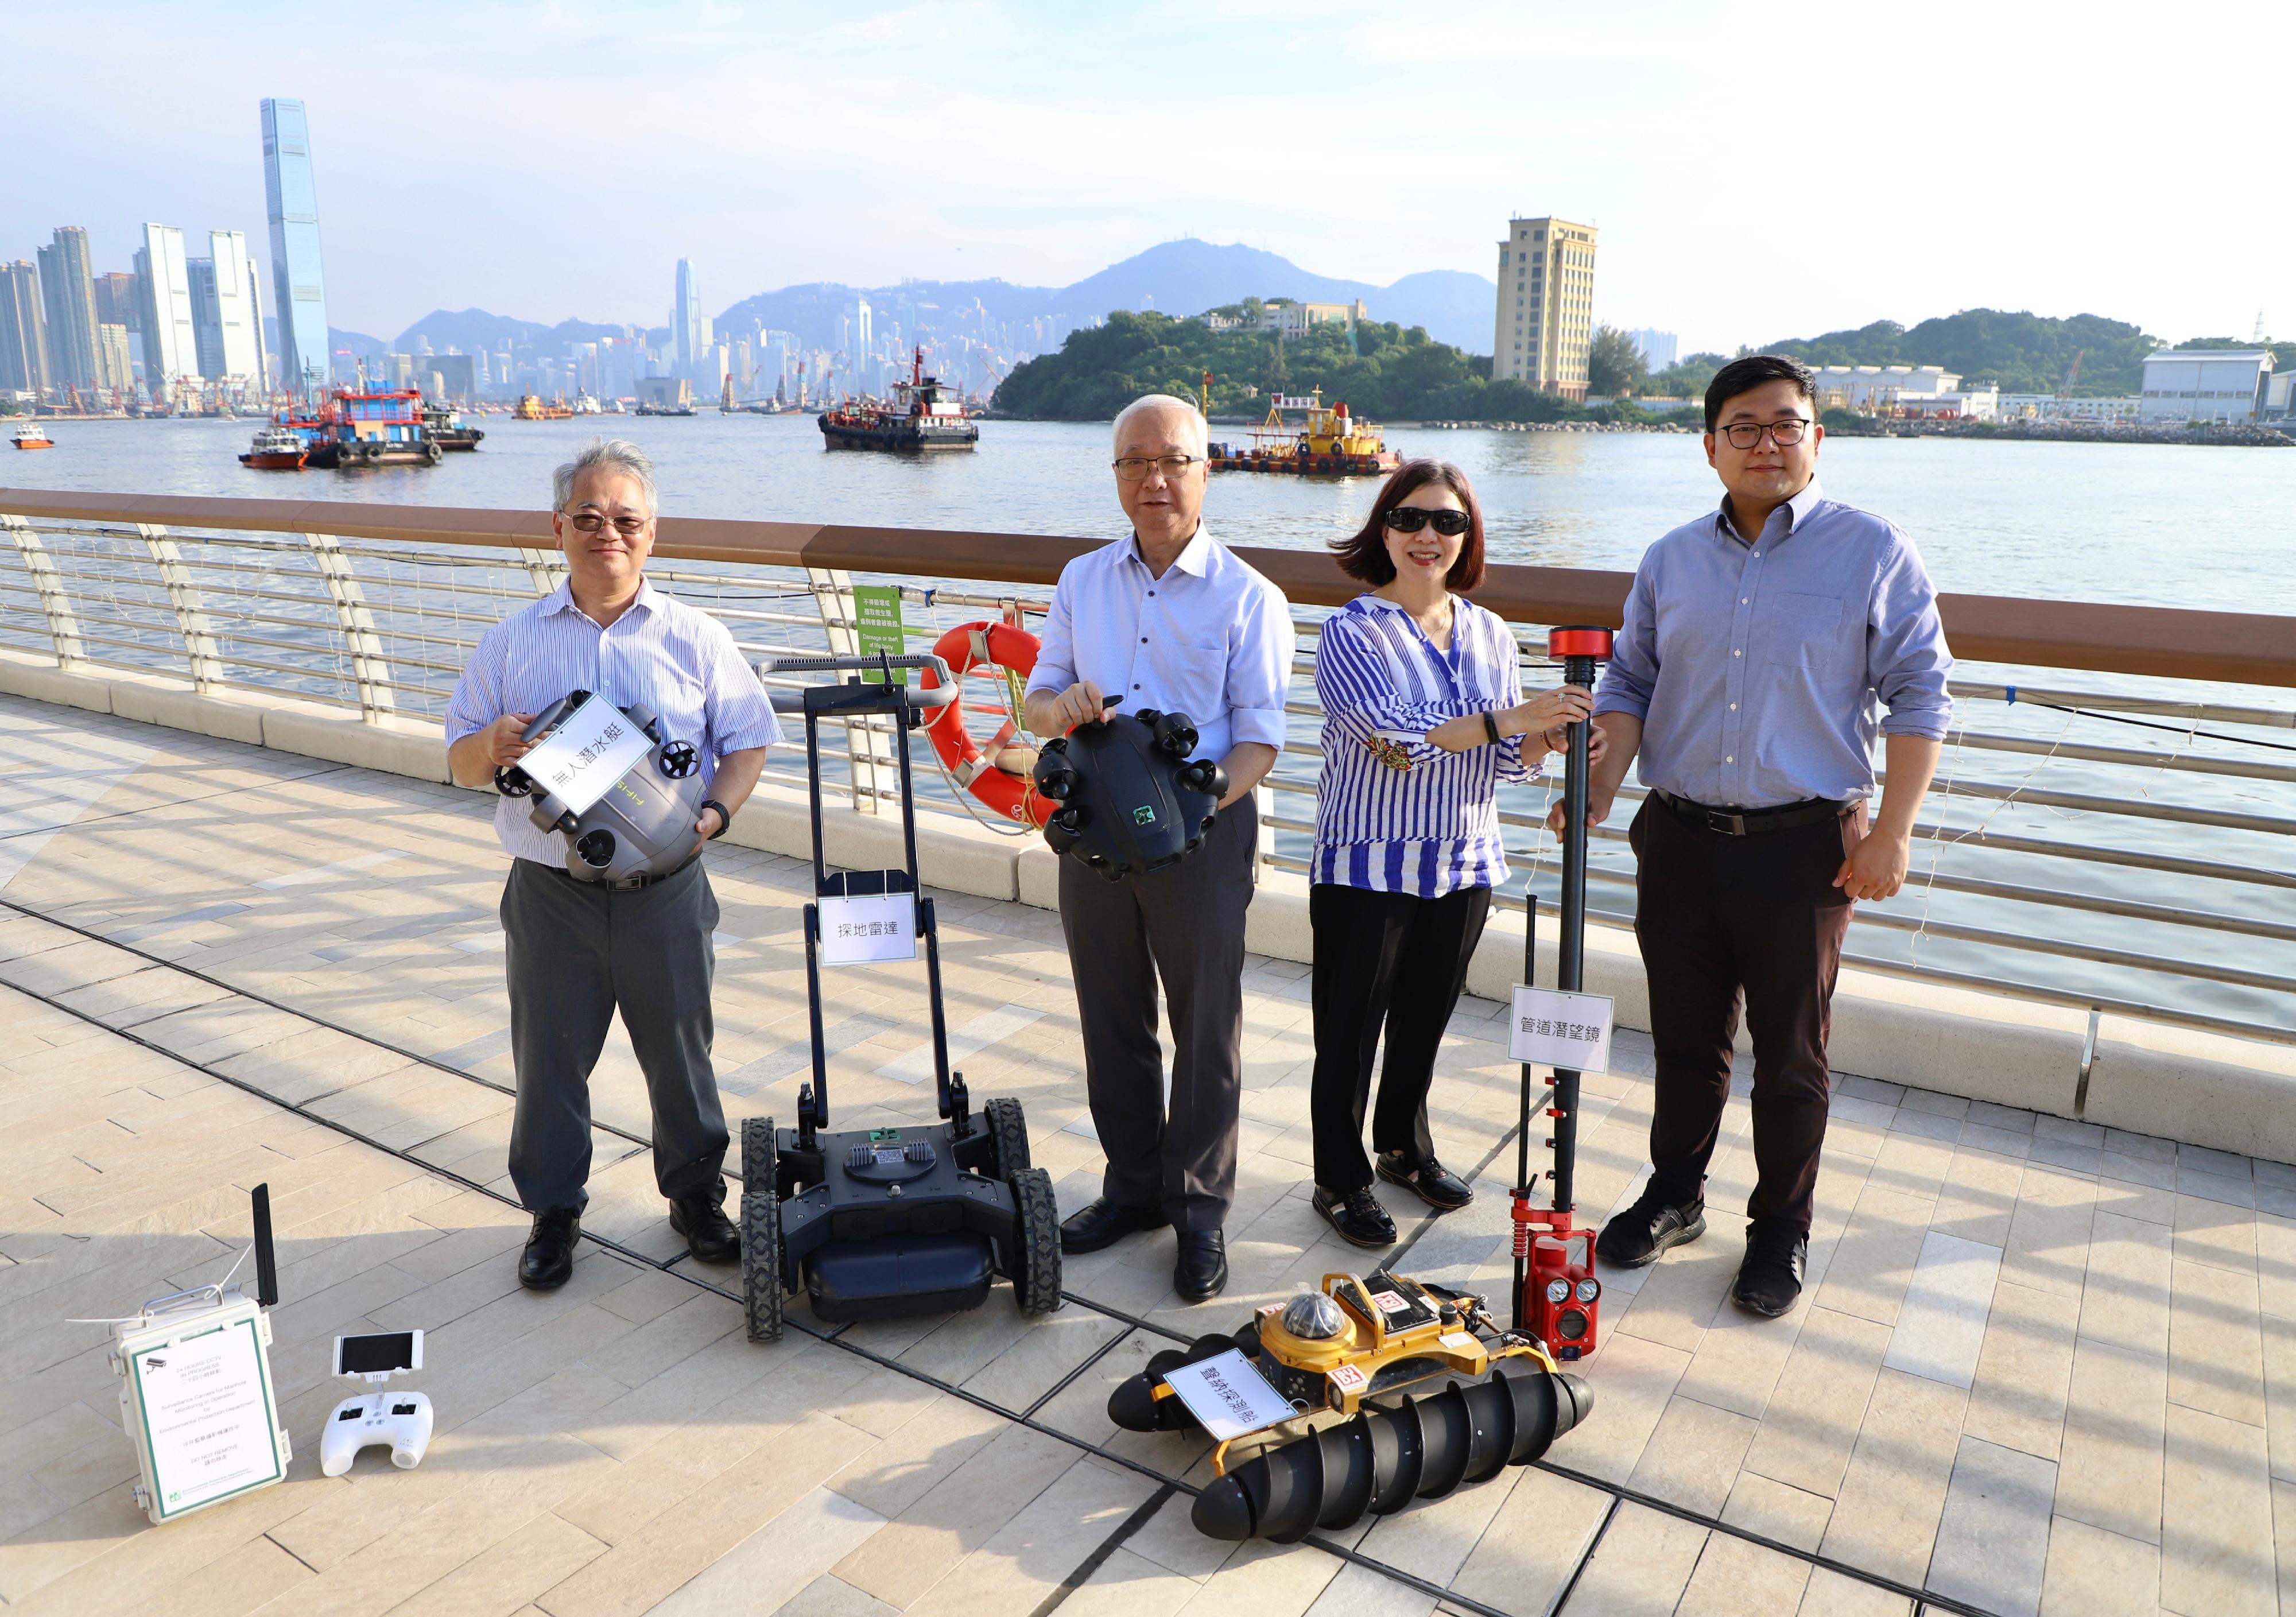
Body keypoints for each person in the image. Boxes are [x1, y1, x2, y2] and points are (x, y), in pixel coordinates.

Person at [1561, 355, 1952, 1317]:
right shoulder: (1671, 559)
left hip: (1806, 845)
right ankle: (1675, 1195)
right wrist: (1604, 779)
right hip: (1681, 836)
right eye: (1744, 426)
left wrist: (1891, 833)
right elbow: (1631, 683)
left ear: (1818, 439)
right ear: (1710, 447)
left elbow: (1921, 691)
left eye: (1787, 424)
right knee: (1687, 1041)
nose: (1767, 442)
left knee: (1790, 1052)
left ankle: (1781, 1227)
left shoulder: (1873, 551)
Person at [445, 438, 780, 1290]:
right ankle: (553, 1213)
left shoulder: (696, 637)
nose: (608, 533)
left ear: (652, 532)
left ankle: (697, 1196)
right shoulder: (513, 642)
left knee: (680, 1050)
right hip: (548, 892)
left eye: (625, 518)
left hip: (667, 888)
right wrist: (492, 744)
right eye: (588, 518)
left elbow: (749, 739)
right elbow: (458, 761)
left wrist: (713, 815)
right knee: (549, 1058)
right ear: (557, 528)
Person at [1023, 393, 1294, 1303]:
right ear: (1116, 476)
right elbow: (1036, 700)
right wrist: (1057, 711)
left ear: (1205, 470)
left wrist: (1203, 799)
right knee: (1112, 1016)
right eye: (1135, 461)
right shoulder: (1080, 579)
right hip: (1092, 833)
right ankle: (1133, 1189)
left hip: (1202, 837)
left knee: (1206, 1030)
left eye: (1173, 460)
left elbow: (1259, 735)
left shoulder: (1251, 596)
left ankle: (1200, 1214)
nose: (1155, 478)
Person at [1308, 460, 1600, 1247]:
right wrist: (1514, 718)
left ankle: (1402, 1147)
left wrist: (1552, 731)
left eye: (1447, 522)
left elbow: (1505, 760)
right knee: (1349, 1030)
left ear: (1468, 535)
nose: (1426, 536)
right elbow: (1398, 744)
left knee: (1425, 1020)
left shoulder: (1489, 632)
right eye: (1408, 519)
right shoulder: (1350, 632)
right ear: (1383, 531)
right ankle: (1339, 1177)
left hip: (1464, 859)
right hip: (1367, 863)